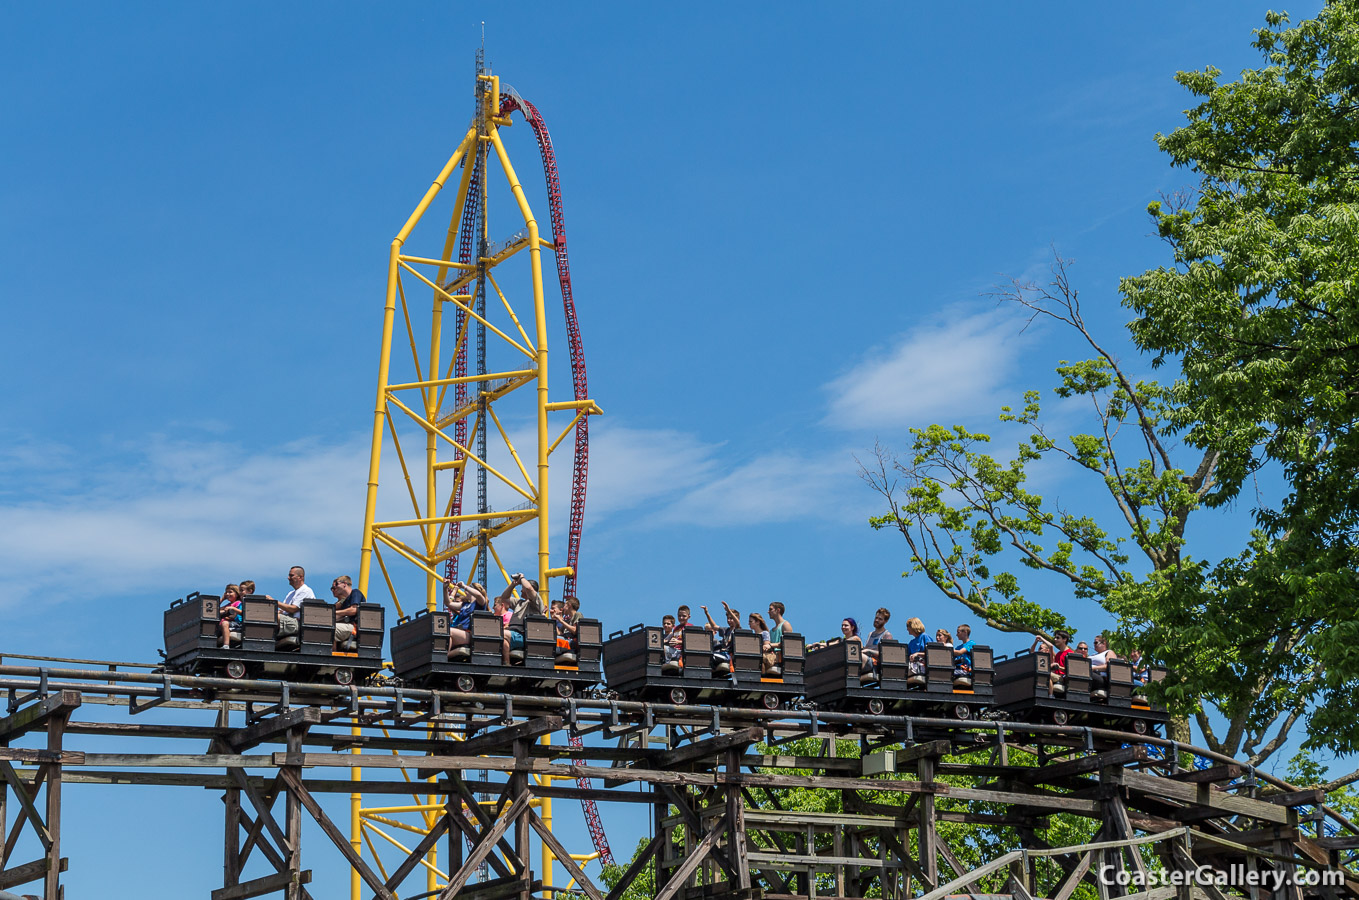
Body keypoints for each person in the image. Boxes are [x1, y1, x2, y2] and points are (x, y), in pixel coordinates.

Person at [497, 572, 543, 664]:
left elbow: (529, 588)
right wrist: (513, 585)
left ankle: (506, 664)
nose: (521, 591)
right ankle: (506, 663)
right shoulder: (519, 603)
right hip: (512, 634)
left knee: (501, 633)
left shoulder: (536, 602)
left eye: (522, 588)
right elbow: (504, 598)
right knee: (502, 638)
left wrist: (522, 578)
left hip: (523, 636)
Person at [444, 580, 488, 659]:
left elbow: (479, 595)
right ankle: (445, 656)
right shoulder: (464, 604)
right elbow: (448, 603)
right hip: (461, 633)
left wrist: (464, 586)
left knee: (448, 631)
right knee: (447, 636)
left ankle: (444, 657)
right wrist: (445, 589)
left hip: (471, 635)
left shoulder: (480, 603)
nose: (465, 591)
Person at [702, 602, 741, 677]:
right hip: (722, 654)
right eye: (728, 618)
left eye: (731, 618)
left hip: (729, 656)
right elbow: (714, 626)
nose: (729, 620)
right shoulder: (725, 630)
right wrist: (707, 613)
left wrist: (728, 610)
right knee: (705, 655)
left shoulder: (737, 630)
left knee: (711, 656)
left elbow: (737, 623)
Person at [276, 566, 314, 640]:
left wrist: (274, 602)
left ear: (300, 577)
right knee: (267, 616)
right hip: (288, 620)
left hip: (298, 623)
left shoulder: (305, 590)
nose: (288, 578)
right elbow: (282, 610)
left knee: (273, 617)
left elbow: (293, 609)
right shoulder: (290, 593)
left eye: (291, 575)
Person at [329, 575, 364, 648]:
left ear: (344, 584)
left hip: (355, 627)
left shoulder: (355, 593)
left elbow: (353, 610)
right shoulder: (344, 602)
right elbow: (339, 616)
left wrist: (334, 612)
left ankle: (332, 655)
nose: (335, 587)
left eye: (336, 584)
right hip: (348, 626)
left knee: (331, 628)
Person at [861, 608, 893, 684]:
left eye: (880, 619)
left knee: (858, 656)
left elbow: (886, 655)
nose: (877, 620)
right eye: (876, 618)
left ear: (885, 621)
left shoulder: (886, 635)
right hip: (866, 659)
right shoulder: (870, 634)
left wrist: (869, 651)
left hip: (875, 663)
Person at [763, 602, 791, 675]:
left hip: (779, 658)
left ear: (778, 610)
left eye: (770, 609)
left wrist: (771, 645)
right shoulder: (772, 630)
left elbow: (788, 644)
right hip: (771, 656)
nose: (768, 612)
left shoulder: (785, 625)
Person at [218, 584, 244, 648]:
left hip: (237, 624)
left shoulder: (238, 603)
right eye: (226, 592)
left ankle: (226, 645)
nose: (227, 594)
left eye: (230, 592)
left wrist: (224, 615)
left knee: (225, 623)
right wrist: (222, 599)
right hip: (228, 624)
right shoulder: (228, 604)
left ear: (237, 594)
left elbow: (233, 616)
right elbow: (215, 609)